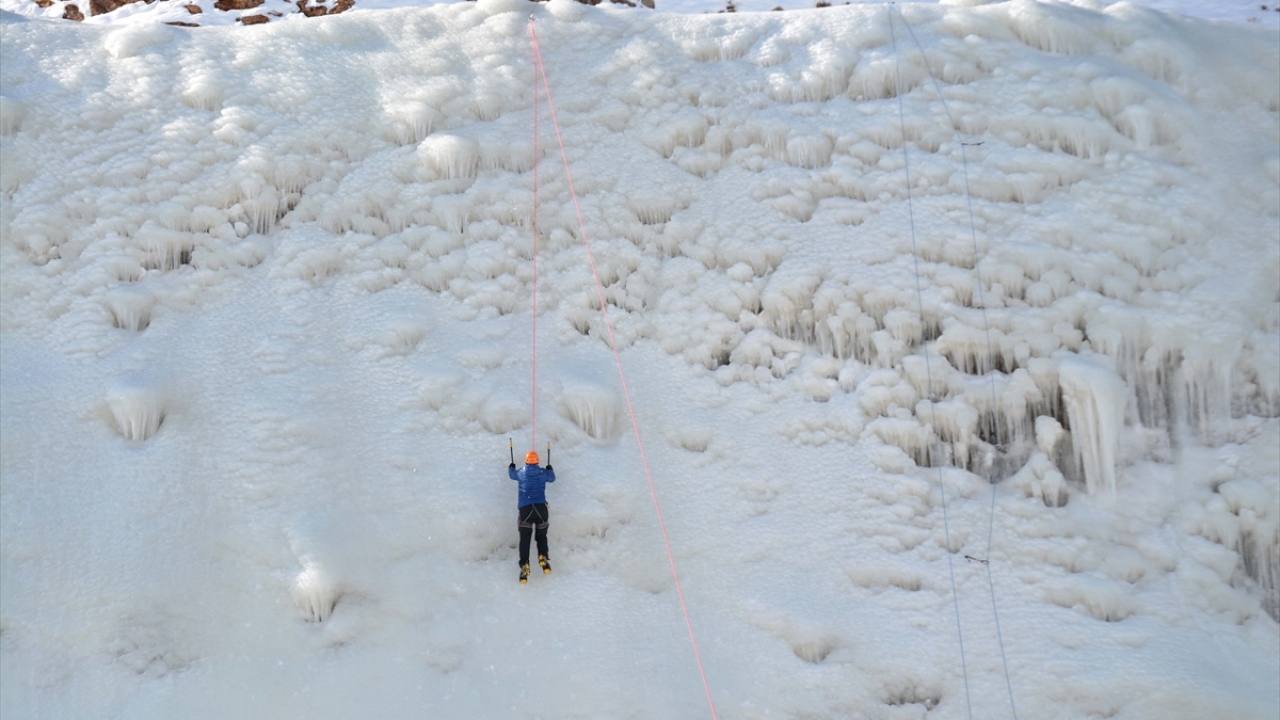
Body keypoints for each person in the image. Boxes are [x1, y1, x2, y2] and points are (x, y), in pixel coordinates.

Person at [509, 450, 555, 584]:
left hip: (526, 509)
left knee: (525, 538)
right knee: (541, 536)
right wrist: (549, 468)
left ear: (526, 461)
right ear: (537, 461)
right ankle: (543, 557)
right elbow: (552, 478)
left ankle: (525, 565)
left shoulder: (521, 472)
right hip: (541, 509)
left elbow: (512, 475)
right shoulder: (542, 473)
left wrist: (511, 466)